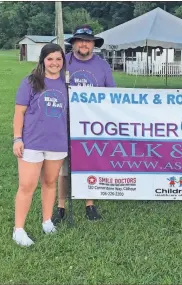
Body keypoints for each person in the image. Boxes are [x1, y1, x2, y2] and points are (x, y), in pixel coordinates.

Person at [53, 24, 116, 223]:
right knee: (63, 168)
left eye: (87, 41)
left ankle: (90, 204)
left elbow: (111, 94)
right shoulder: (63, 62)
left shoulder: (102, 65)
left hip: (91, 124)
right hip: (64, 121)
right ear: (74, 43)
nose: (84, 44)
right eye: (80, 40)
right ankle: (61, 206)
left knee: (89, 164)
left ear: (93, 44)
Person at [12, 43, 68, 246]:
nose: (55, 63)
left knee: (50, 182)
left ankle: (47, 221)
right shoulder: (31, 82)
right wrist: (17, 138)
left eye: (59, 59)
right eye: (50, 59)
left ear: (63, 61)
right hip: (32, 143)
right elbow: (19, 112)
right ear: (43, 60)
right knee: (27, 186)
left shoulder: (66, 85)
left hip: (57, 143)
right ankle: (18, 229)